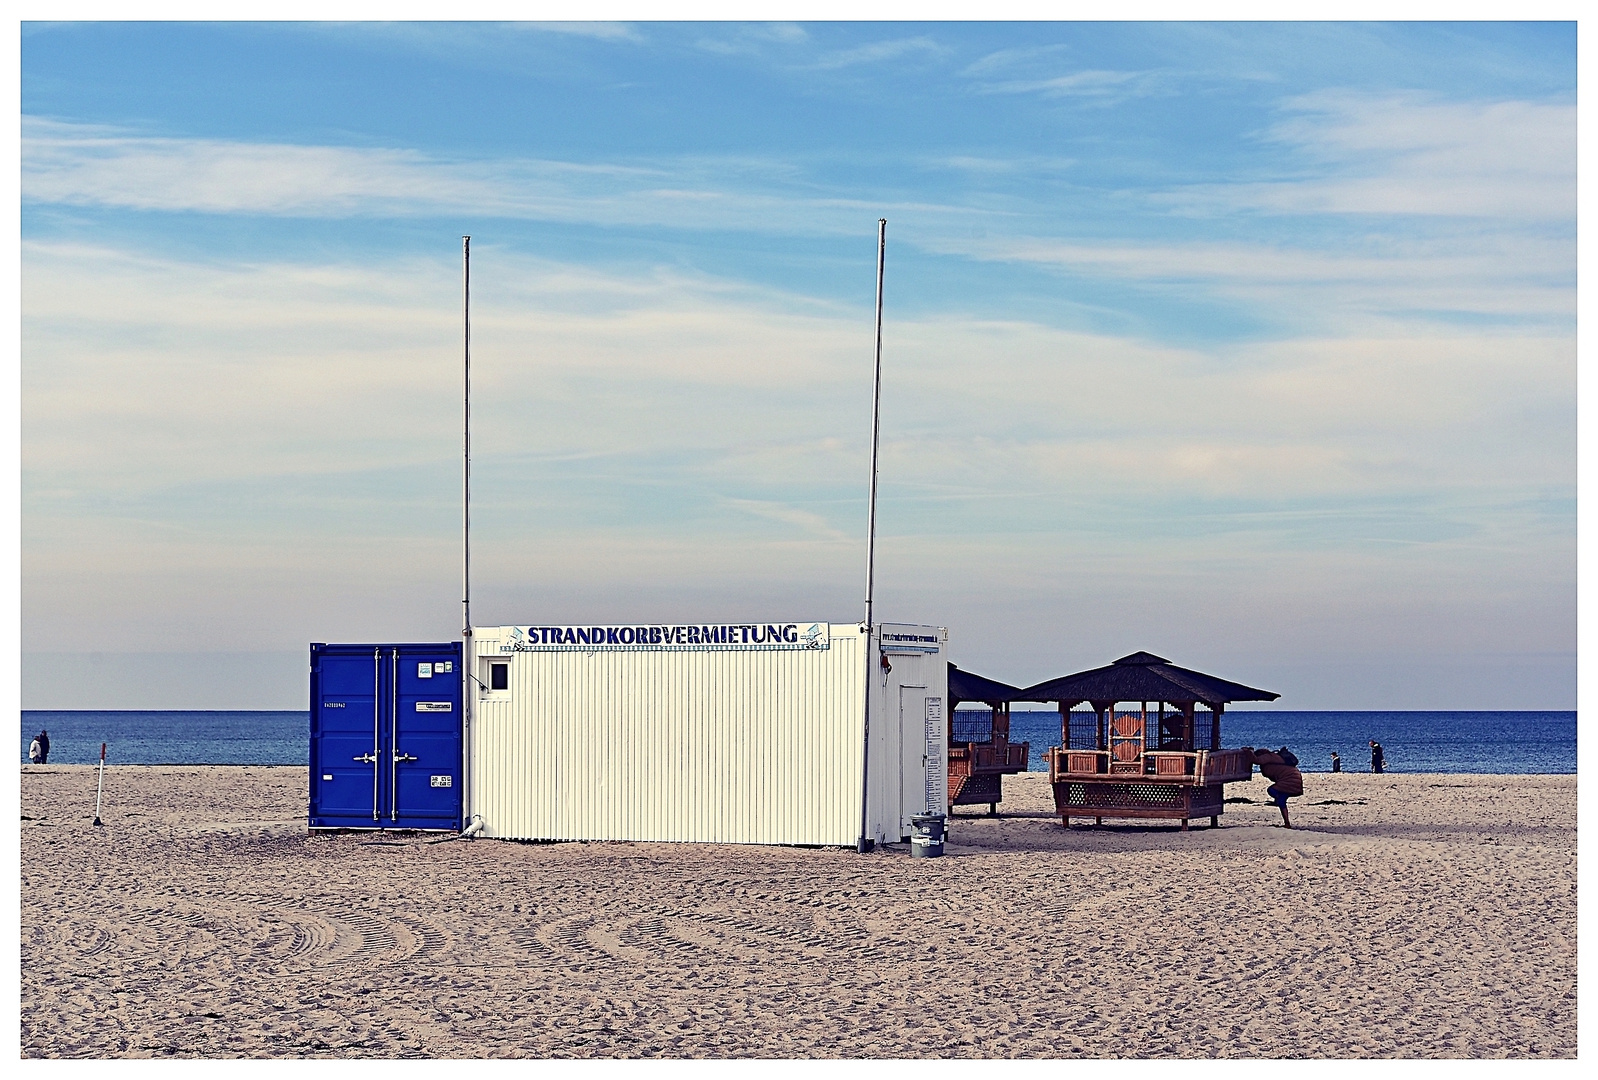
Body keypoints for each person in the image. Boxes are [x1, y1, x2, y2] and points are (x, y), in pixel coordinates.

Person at [1247, 746, 1303, 828]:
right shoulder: (1274, 757)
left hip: (1289, 779)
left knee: (1272, 790)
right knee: (1281, 800)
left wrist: (1248, 752)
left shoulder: (1268, 757)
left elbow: (1256, 760)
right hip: (1293, 777)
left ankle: (1279, 802)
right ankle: (1287, 823)